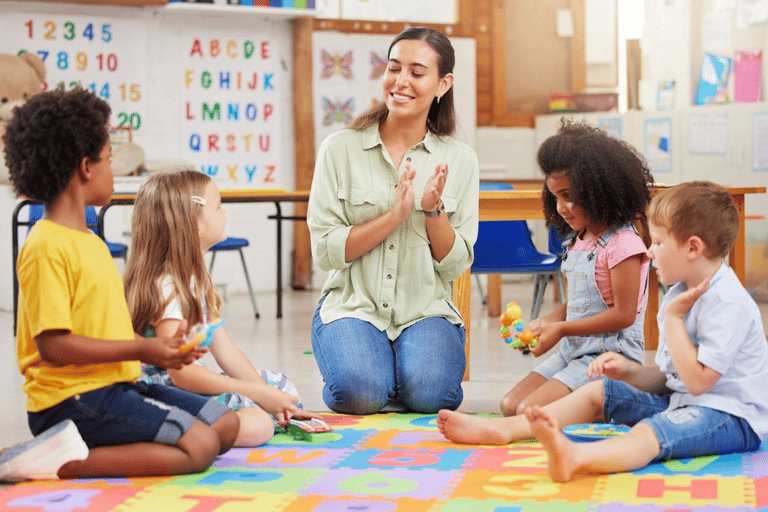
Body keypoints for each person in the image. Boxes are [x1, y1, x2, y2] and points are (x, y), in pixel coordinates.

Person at [437, 181, 768, 482]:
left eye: (660, 243)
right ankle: (504, 430)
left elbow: (698, 383)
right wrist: (630, 372)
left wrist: (671, 320)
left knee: (652, 432)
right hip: (681, 400)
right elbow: (672, 378)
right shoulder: (681, 290)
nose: (650, 252)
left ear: (693, 248)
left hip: (732, 418)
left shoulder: (726, 301)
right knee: (600, 391)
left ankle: (579, 457)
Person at [2, 87, 239, 482]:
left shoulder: (90, 241)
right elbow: (53, 345)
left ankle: (86, 447)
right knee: (199, 447)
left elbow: (100, 329)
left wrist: (165, 348)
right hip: (71, 400)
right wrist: (143, 347)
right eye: (110, 159)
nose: (115, 170)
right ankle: (51, 460)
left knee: (225, 425)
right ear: (85, 168)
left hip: (115, 386)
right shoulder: (45, 245)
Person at [307, 27, 479, 415]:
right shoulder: (340, 148)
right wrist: (396, 216)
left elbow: (455, 264)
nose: (401, 82)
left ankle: (398, 371)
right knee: (359, 394)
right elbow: (328, 251)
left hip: (425, 310)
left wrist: (433, 211)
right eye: (393, 68)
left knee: (433, 397)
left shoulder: (461, 159)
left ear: (442, 84)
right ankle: (371, 368)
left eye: (417, 73)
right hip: (353, 306)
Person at [123, 169, 320, 447]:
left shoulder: (194, 280)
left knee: (280, 387)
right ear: (194, 223)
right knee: (259, 424)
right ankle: (176, 435)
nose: (224, 213)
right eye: (218, 207)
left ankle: (191, 431)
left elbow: (224, 349)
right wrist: (255, 395)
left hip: (190, 384)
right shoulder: (168, 288)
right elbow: (180, 374)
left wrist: (264, 394)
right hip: (162, 392)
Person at [498, 120, 654, 416]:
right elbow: (585, 304)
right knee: (510, 406)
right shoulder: (579, 240)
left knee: (528, 411)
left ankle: (611, 401)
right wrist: (546, 322)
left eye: (569, 195)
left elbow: (623, 314)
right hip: (575, 352)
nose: (561, 208)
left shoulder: (623, 244)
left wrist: (562, 329)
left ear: (599, 189)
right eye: (555, 197)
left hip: (610, 358)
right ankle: (584, 405)